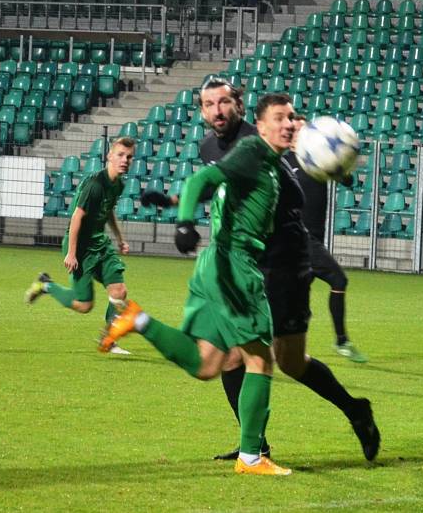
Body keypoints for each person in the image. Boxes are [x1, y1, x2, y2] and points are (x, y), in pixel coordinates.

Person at [140, 80, 380, 464]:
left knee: (290, 361)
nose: (217, 111)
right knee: (233, 358)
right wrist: (174, 202)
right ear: (201, 111)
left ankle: (355, 410)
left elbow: (307, 170)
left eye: (224, 103)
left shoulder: (264, 136)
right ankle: (254, 445)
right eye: (208, 105)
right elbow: (224, 187)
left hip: (284, 260)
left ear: (240, 105)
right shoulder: (209, 148)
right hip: (243, 261)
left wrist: (331, 165)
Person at [101, 92, 295, 476]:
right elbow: (203, 178)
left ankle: (136, 320)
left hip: (217, 264)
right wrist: (185, 221)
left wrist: (176, 205)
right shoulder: (253, 151)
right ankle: (251, 458)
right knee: (260, 358)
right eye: (280, 118)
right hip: (233, 263)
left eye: (291, 117)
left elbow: (218, 189)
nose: (288, 123)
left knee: (209, 363)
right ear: (260, 124)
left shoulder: (268, 162)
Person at [25, 137, 137, 355]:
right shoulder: (95, 184)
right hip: (81, 247)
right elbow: (77, 217)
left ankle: (109, 338)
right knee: (84, 305)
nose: (125, 160)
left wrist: (120, 238)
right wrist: (71, 253)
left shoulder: (118, 184)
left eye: (129, 157)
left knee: (119, 290)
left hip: (100, 244)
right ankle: (46, 285)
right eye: (121, 155)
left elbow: (109, 211)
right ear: (109, 156)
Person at [284, 115, 368, 363]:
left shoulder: (320, 161)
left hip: (313, 240)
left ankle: (288, 347)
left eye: (303, 130)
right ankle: (341, 341)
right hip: (300, 240)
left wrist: (342, 167)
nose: (300, 134)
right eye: (296, 131)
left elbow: (348, 181)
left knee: (299, 301)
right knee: (338, 278)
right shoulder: (285, 163)